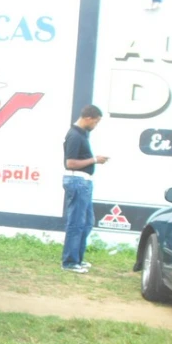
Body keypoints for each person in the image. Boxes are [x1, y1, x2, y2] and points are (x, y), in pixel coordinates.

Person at [62, 105, 109, 274]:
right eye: (96, 121)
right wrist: (94, 160)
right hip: (77, 180)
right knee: (76, 222)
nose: (96, 125)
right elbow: (71, 163)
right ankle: (70, 261)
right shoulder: (74, 135)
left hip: (84, 182)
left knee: (87, 222)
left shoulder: (82, 134)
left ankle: (78, 259)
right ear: (88, 118)